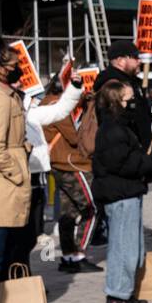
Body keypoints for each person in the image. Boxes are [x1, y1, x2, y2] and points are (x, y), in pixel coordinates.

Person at [6, 75, 83, 278]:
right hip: (16, 181)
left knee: (31, 235)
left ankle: (24, 279)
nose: (22, 86)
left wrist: (74, 87)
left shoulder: (29, 113)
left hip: (36, 179)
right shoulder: (7, 111)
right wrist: (15, 170)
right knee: (16, 237)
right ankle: (16, 281)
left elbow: (58, 111)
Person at [92, 78, 152, 303]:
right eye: (128, 99)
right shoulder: (112, 129)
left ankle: (124, 291)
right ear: (117, 101)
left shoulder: (120, 126)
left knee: (132, 246)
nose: (132, 103)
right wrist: (148, 161)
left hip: (127, 191)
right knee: (122, 246)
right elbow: (122, 162)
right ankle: (117, 294)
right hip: (120, 194)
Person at [46, 79, 102, 273]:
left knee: (68, 212)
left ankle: (68, 256)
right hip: (71, 164)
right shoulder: (58, 106)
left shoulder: (45, 102)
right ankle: (79, 254)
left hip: (58, 163)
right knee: (91, 209)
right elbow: (73, 136)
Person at [0, 45, 33, 303]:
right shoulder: (0, 98)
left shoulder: (8, 94)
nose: (16, 66)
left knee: (8, 251)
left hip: (9, 186)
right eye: (11, 62)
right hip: (4, 188)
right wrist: (17, 170)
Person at [97, 41, 152, 148]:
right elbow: (116, 119)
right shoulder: (111, 85)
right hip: (127, 152)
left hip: (141, 150)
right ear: (121, 61)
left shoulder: (134, 81)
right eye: (135, 57)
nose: (139, 61)